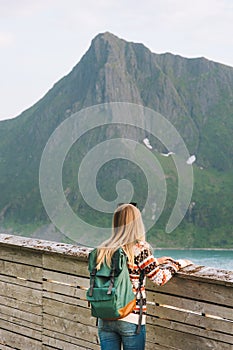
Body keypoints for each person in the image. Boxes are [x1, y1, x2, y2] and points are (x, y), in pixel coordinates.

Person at [96, 203, 192, 350]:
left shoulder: (104, 248)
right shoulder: (140, 248)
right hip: (131, 317)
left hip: (105, 315)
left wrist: (155, 262)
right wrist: (177, 264)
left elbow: (125, 267)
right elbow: (160, 279)